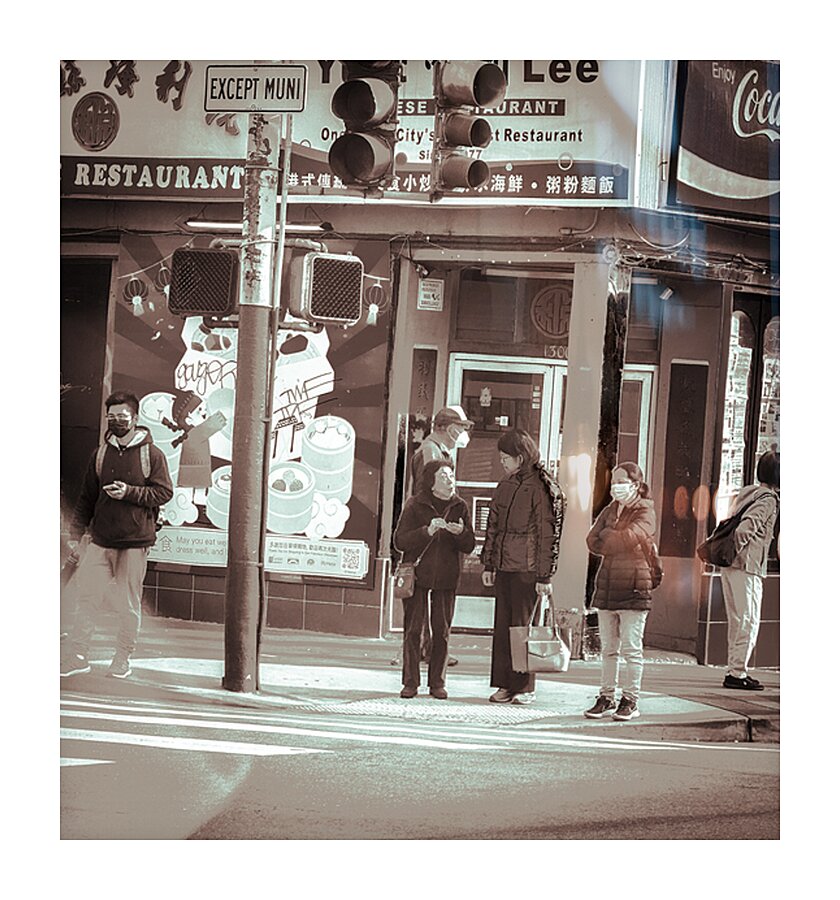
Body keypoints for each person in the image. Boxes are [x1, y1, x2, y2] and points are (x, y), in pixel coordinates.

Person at [61, 390, 174, 679]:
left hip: (134, 543)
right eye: (111, 417)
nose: (116, 421)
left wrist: (129, 492)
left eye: (122, 416)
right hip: (100, 540)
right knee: (87, 599)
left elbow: (164, 492)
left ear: (135, 418)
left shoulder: (152, 454)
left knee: (128, 605)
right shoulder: (100, 454)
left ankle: (122, 658)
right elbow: (87, 498)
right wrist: (76, 533)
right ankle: (77, 655)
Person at [481, 430, 566, 705]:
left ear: (520, 457)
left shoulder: (542, 486)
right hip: (504, 566)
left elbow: (548, 535)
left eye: (506, 457)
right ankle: (504, 684)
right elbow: (493, 526)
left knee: (523, 628)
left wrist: (545, 575)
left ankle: (524, 687)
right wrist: (489, 563)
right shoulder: (505, 484)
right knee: (503, 628)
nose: (502, 462)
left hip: (528, 570)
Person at [390, 405, 474, 669]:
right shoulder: (431, 451)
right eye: (461, 427)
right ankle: (427, 650)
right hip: (429, 540)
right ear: (449, 428)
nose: (463, 433)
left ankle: (430, 649)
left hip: (434, 537)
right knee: (423, 604)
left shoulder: (439, 450)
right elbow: (428, 493)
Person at [393, 459, 475, 700]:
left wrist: (460, 533)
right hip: (417, 575)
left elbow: (469, 545)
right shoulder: (415, 504)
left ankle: (437, 683)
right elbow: (400, 541)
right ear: (431, 482)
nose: (450, 480)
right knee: (413, 630)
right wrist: (426, 531)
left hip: (447, 577)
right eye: (443, 476)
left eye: (451, 475)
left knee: (442, 631)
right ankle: (410, 682)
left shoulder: (460, 506)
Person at [583, 461, 657, 721]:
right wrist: (612, 536)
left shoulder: (645, 511)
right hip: (607, 587)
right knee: (608, 649)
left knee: (631, 649)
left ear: (636, 485)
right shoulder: (610, 509)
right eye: (613, 482)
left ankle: (630, 700)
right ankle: (606, 696)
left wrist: (609, 535)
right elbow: (591, 540)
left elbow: (628, 538)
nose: (615, 487)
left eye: (621, 482)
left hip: (635, 587)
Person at [719, 448, 780, 691]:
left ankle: (734, 669)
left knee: (737, 620)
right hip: (747, 566)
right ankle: (737, 672)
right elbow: (745, 530)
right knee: (749, 620)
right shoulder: (768, 500)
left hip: (730, 565)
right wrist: (739, 553)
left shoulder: (747, 493)